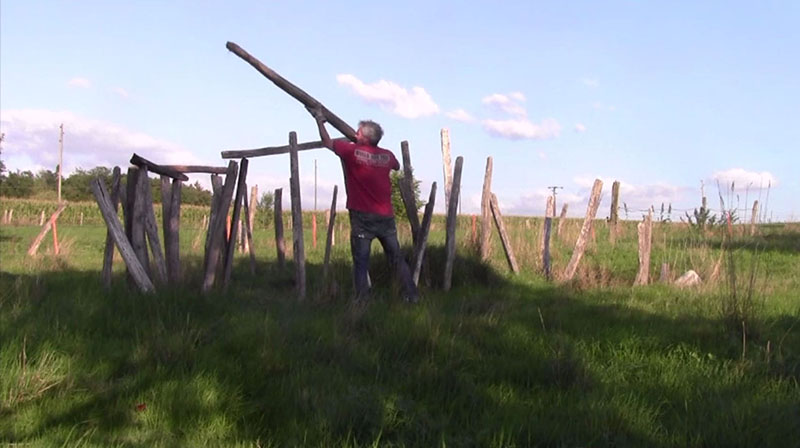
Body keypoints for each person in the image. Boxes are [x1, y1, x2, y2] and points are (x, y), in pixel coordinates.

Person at [308, 106, 418, 303]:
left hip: (362, 217)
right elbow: (397, 165)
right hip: (385, 216)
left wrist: (319, 121)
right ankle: (411, 295)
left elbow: (327, 142)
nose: (354, 133)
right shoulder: (387, 155)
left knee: (361, 261)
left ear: (364, 138)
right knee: (396, 258)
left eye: (357, 132)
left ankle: (362, 300)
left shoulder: (352, 152)